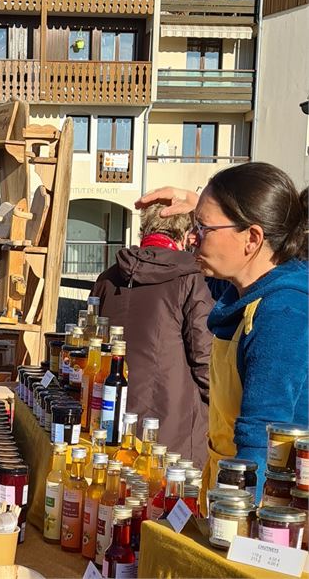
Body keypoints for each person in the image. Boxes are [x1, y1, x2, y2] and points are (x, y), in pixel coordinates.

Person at [137, 162, 308, 500]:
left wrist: (230, 526)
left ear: (252, 239)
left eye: (202, 228)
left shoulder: (283, 312)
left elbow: (260, 442)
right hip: (224, 487)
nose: (191, 237)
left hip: (259, 509)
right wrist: (197, 203)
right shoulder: (242, 290)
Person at [92, 203, 213, 468]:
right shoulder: (191, 278)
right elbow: (204, 353)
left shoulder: (108, 278)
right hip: (175, 419)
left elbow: (90, 339)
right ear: (187, 235)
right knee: (171, 498)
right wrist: (218, 404)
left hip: (113, 412)